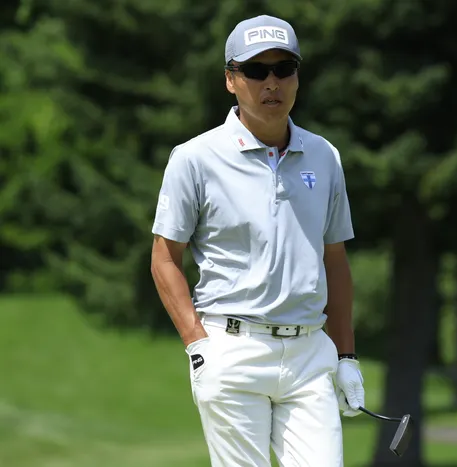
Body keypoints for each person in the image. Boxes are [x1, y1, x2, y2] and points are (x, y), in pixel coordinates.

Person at [149, 14, 365, 467]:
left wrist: (346, 356)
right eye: (255, 70)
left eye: (284, 69)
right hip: (231, 350)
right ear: (231, 80)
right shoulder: (194, 158)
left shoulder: (325, 156)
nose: (272, 83)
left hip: (309, 356)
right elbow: (165, 259)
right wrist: (197, 345)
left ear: (297, 77)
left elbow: (335, 260)